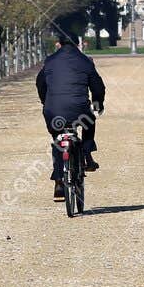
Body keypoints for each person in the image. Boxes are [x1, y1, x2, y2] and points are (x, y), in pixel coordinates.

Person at [35, 30, 105, 201]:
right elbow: (97, 87)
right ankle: (87, 155)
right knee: (89, 121)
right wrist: (98, 103)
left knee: (58, 139)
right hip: (79, 109)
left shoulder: (49, 61)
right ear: (78, 44)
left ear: (58, 44)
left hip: (53, 111)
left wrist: (46, 103)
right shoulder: (85, 61)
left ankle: (59, 181)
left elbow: (40, 84)